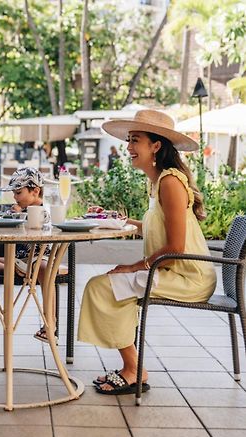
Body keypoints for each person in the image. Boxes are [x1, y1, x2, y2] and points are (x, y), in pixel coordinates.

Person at [78, 109, 217, 395]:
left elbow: (176, 247)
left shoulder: (170, 182)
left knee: (103, 287)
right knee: (106, 286)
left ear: (156, 145)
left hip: (188, 276)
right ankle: (132, 367)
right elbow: (157, 229)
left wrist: (134, 266)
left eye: (135, 140)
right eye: (129, 140)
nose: (128, 147)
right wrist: (118, 219)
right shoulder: (158, 181)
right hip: (171, 269)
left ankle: (133, 370)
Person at [0, 167, 54, 342]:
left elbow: (43, 229)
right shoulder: (19, 209)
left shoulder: (44, 210)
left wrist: (20, 216)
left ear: (35, 191)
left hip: (39, 257)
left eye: (18, 192)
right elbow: (4, 221)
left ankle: (51, 323)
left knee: (43, 267)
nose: (15, 197)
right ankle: (16, 270)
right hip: (18, 259)